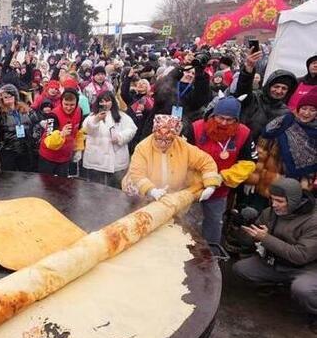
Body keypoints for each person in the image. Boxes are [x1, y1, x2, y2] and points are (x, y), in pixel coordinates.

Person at [232, 178, 317, 331]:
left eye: (279, 201)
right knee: (241, 269)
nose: (274, 204)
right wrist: (242, 225)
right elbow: (248, 242)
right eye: (272, 199)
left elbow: (301, 255)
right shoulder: (270, 212)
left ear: (293, 201)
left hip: (307, 268)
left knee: (303, 289)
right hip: (276, 263)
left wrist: (265, 238)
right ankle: (277, 283)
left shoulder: (313, 221)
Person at [190, 96, 257, 245]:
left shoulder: (244, 133)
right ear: (214, 114)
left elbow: (249, 162)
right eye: (220, 118)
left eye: (230, 120)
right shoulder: (196, 127)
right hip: (192, 187)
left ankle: (210, 256)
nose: (224, 123)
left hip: (219, 190)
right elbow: (183, 156)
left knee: (213, 224)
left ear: (237, 120)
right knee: (188, 223)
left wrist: (223, 178)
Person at [123, 114, 220, 200]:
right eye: (159, 138)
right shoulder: (143, 147)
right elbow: (137, 173)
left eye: (168, 140)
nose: (163, 142)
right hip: (143, 195)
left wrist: (211, 185)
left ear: (175, 136)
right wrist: (151, 190)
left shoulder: (183, 146)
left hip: (173, 195)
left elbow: (205, 161)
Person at [247, 90, 317, 197]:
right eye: (304, 108)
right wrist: (253, 178)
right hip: (269, 180)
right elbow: (261, 153)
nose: (307, 113)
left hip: (299, 186)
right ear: (298, 109)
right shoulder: (283, 122)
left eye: (312, 110)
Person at [234, 51, 297, 139]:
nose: (279, 91)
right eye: (276, 86)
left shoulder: (286, 113)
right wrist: (248, 70)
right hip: (243, 145)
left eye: (284, 88)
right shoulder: (254, 98)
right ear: (269, 86)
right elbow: (242, 90)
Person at [81, 92, 137, 188]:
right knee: (96, 188)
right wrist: (96, 120)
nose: (105, 104)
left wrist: (120, 137)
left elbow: (132, 129)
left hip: (116, 158)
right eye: (102, 101)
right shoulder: (91, 117)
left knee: (115, 188)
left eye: (107, 101)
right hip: (96, 159)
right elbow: (86, 131)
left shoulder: (122, 116)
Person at [0, 84, 38, 172]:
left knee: (25, 177)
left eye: (10, 96)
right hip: (8, 150)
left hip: (25, 149)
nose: (8, 99)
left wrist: (34, 138)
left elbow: (36, 123)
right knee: (8, 178)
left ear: (15, 96)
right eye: (5, 97)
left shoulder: (26, 110)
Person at [37, 87, 82, 176]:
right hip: (49, 157)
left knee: (62, 186)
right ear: (61, 102)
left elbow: (79, 131)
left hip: (65, 157)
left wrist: (78, 148)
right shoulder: (52, 115)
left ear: (76, 103)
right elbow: (48, 140)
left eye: (72, 105)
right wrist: (61, 134)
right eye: (66, 104)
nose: (69, 108)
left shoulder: (79, 111)